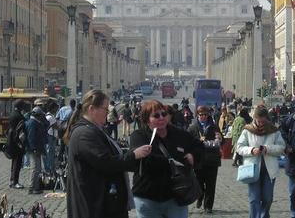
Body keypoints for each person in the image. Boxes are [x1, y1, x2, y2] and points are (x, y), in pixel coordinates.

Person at [67, 89, 152, 218]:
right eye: (105, 110)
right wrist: (134, 155)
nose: (107, 113)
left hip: (107, 202)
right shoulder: (84, 134)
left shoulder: (96, 129)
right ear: (92, 109)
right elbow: (105, 162)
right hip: (94, 204)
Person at [130, 100, 200, 218]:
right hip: (147, 196)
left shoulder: (179, 134)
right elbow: (148, 161)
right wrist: (179, 161)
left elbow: (198, 146)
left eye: (163, 114)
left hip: (176, 196)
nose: (161, 117)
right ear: (147, 119)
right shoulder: (139, 136)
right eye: (156, 115)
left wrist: (194, 156)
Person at [236, 105, 285, 218]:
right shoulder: (247, 130)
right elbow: (239, 147)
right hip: (252, 169)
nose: (261, 123)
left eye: (263, 121)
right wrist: (252, 150)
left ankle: (263, 215)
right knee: (254, 199)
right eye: (259, 121)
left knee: (268, 198)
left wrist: (268, 149)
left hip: (269, 170)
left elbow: (281, 147)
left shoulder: (273, 130)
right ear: (255, 118)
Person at [188, 106, 222, 214]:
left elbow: (222, 141)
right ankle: (200, 195)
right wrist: (198, 140)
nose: (203, 116)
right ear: (197, 115)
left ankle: (208, 206)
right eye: (201, 114)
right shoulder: (192, 128)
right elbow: (188, 143)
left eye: (205, 115)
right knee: (199, 183)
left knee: (211, 184)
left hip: (212, 160)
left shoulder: (214, 127)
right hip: (198, 160)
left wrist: (220, 138)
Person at [25, 106, 48, 194]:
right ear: (37, 115)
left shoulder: (36, 122)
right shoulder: (32, 123)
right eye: (40, 115)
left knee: (37, 168)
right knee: (34, 168)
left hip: (36, 149)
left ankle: (36, 186)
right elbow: (31, 137)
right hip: (33, 149)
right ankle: (32, 187)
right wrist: (34, 149)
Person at [7, 99, 27, 188]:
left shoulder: (11, 115)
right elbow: (21, 132)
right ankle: (15, 182)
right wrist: (23, 143)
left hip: (11, 140)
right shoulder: (20, 117)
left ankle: (11, 181)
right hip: (17, 141)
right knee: (17, 162)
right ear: (21, 107)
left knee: (13, 161)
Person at [44, 101, 59, 174]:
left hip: (49, 136)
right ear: (53, 108)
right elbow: (57, 126)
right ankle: (50, 168)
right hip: (51, 137)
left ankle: (49, 168)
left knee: (49, 153)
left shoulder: (47, 115)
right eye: (56, 108)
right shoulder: (51, 117)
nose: (56, 110)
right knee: (50, 153)